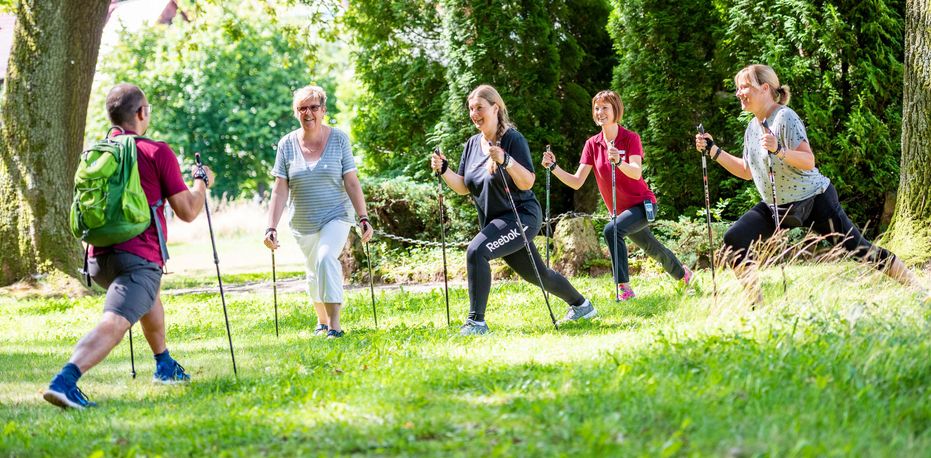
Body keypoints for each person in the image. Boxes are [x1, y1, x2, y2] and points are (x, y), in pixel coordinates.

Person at [44, 83, 215, 409]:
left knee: (149, 296)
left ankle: (165, 365)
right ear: (141, 113)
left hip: (97, 258)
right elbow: (188, 211)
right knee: (116, 320)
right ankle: (65, 380)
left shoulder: (100, 152)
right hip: (138, 257)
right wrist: (200, 181)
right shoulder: (155, 151)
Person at [694, 64, 920, 299]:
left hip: (814, 199)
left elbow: (808, 161)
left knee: (860, 249)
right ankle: (756, 305)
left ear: (764, 88)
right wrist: (713, 150)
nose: (739, 93)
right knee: (735, 238)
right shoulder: (752, 127)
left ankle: (917, 288)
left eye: (744, 87)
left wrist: (779, 149)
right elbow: (746, 171)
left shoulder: (785, 117)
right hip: (778, 206)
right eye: (737, 88)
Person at [430, 84, 596, 335]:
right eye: (471, 109)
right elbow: (464, 186)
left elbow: (528, 181)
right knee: (537, 274)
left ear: (495, 108)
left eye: (479, 108)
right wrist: (444, 170)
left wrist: (506, 161)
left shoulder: (512, 139)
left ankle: (476, 322)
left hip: (522, 216)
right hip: (495, 222)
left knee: (477, 251)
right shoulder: (472, 145)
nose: (474, 113)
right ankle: (582, 305)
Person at [543, 90, 692, 300]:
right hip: (621, 212)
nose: (600, 112)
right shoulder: (592, 144)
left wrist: (619, 162)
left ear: (616, 110)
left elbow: (636, 171)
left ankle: (624, 289)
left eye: (605, 108)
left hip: (643, 204)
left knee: (612, 230)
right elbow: (576, 182)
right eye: (597, 108)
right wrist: (554, 167)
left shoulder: (630, 138)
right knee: (652, 247)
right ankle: (684, 274)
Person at [264, 85, 373, 339]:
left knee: (326, 259)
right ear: (296, 113)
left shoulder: (339, 139)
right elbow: (280, 189)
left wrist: (363, 216)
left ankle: (334, 325)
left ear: (323, 111)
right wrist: (271, 226)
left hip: (336, 214)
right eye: (302, 108)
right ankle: (321, 320)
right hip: (302, 221)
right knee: (313, 269)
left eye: (313, 107)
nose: (308, 113)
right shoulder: (286, 145)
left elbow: (352, 181)